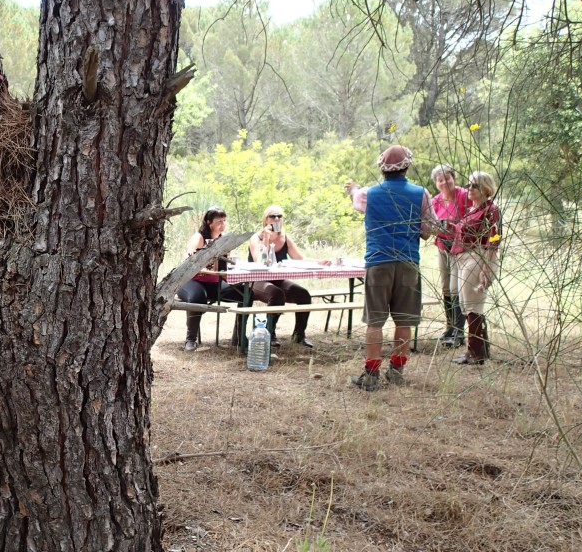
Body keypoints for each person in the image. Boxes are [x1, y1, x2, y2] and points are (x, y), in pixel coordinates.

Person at [345, 144, 434, 390]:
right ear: (406, 167)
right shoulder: (421, 194)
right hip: (408, 262)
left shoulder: (368, 194)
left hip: (378, 261)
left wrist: (353, 189)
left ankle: (371, 375)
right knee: (403, 321)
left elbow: (356, 200)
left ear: (382, 169)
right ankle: (397, 370)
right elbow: (427, 231)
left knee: (375, 322)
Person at [247, 204, 331, 348]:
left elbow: (299, 258)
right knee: (276, 294)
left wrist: (320, 261)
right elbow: (260, 262)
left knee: (303, 295)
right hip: (257, 279)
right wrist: (266, 239)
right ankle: (270, 333)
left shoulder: (284, 237)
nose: (276, 218)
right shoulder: (256, 238)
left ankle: (299, 335)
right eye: (272, 216)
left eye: (279, 216)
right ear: (266, 220)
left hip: (278, 278)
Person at [176, 206, 248, 351]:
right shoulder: (199, 237)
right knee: (197, 297)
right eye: (219, 221)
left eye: (224, 221)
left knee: (245, 293)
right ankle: (190, 340)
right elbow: (189, 263)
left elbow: (223, 267)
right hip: (192, 281)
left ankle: (239, 336)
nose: (223, 224)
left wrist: (230, 274)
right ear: (209, 222)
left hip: (214, 282)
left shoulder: (225, 240)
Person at [449, 171, 501, 365]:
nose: (469, 189)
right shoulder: (473, 209)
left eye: (474, 186)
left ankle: (475, 352)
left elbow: (494, 239)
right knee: (465, 304)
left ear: (485, 189)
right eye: (469, 185)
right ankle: (481, 349)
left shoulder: (491, 210)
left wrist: (486, 268)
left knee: (473, 305)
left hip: (477, 256)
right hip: (462, 257)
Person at [431, 164, 469, 347]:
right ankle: (450, 327)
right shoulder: (436, 200)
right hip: (442, 245)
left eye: (447, 178)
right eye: (440, 180)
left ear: (454, 178)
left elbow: (473, 217)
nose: (444, 182)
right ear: (436, 183)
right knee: (446, 287)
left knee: (455, 288)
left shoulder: (463, 195)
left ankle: (459, 332)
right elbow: (430, 223)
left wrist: (456, 226)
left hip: (460, 247)